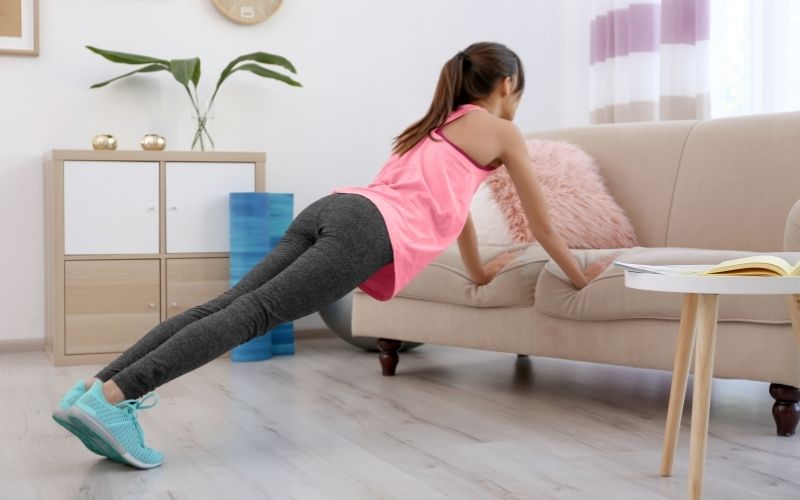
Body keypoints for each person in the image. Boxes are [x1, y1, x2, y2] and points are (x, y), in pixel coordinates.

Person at [53, 41, 602, 469]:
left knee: (228, 304)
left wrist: (479, 269)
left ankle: (92, 392)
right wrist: (581, 276)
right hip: (367, 231)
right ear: (508, 84)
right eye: (519, 91)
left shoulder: (434, 128)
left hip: (333, 208)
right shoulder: (503, 132)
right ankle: (117, 397)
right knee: (254, 316)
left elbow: (449, 208)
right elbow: (543, 225)